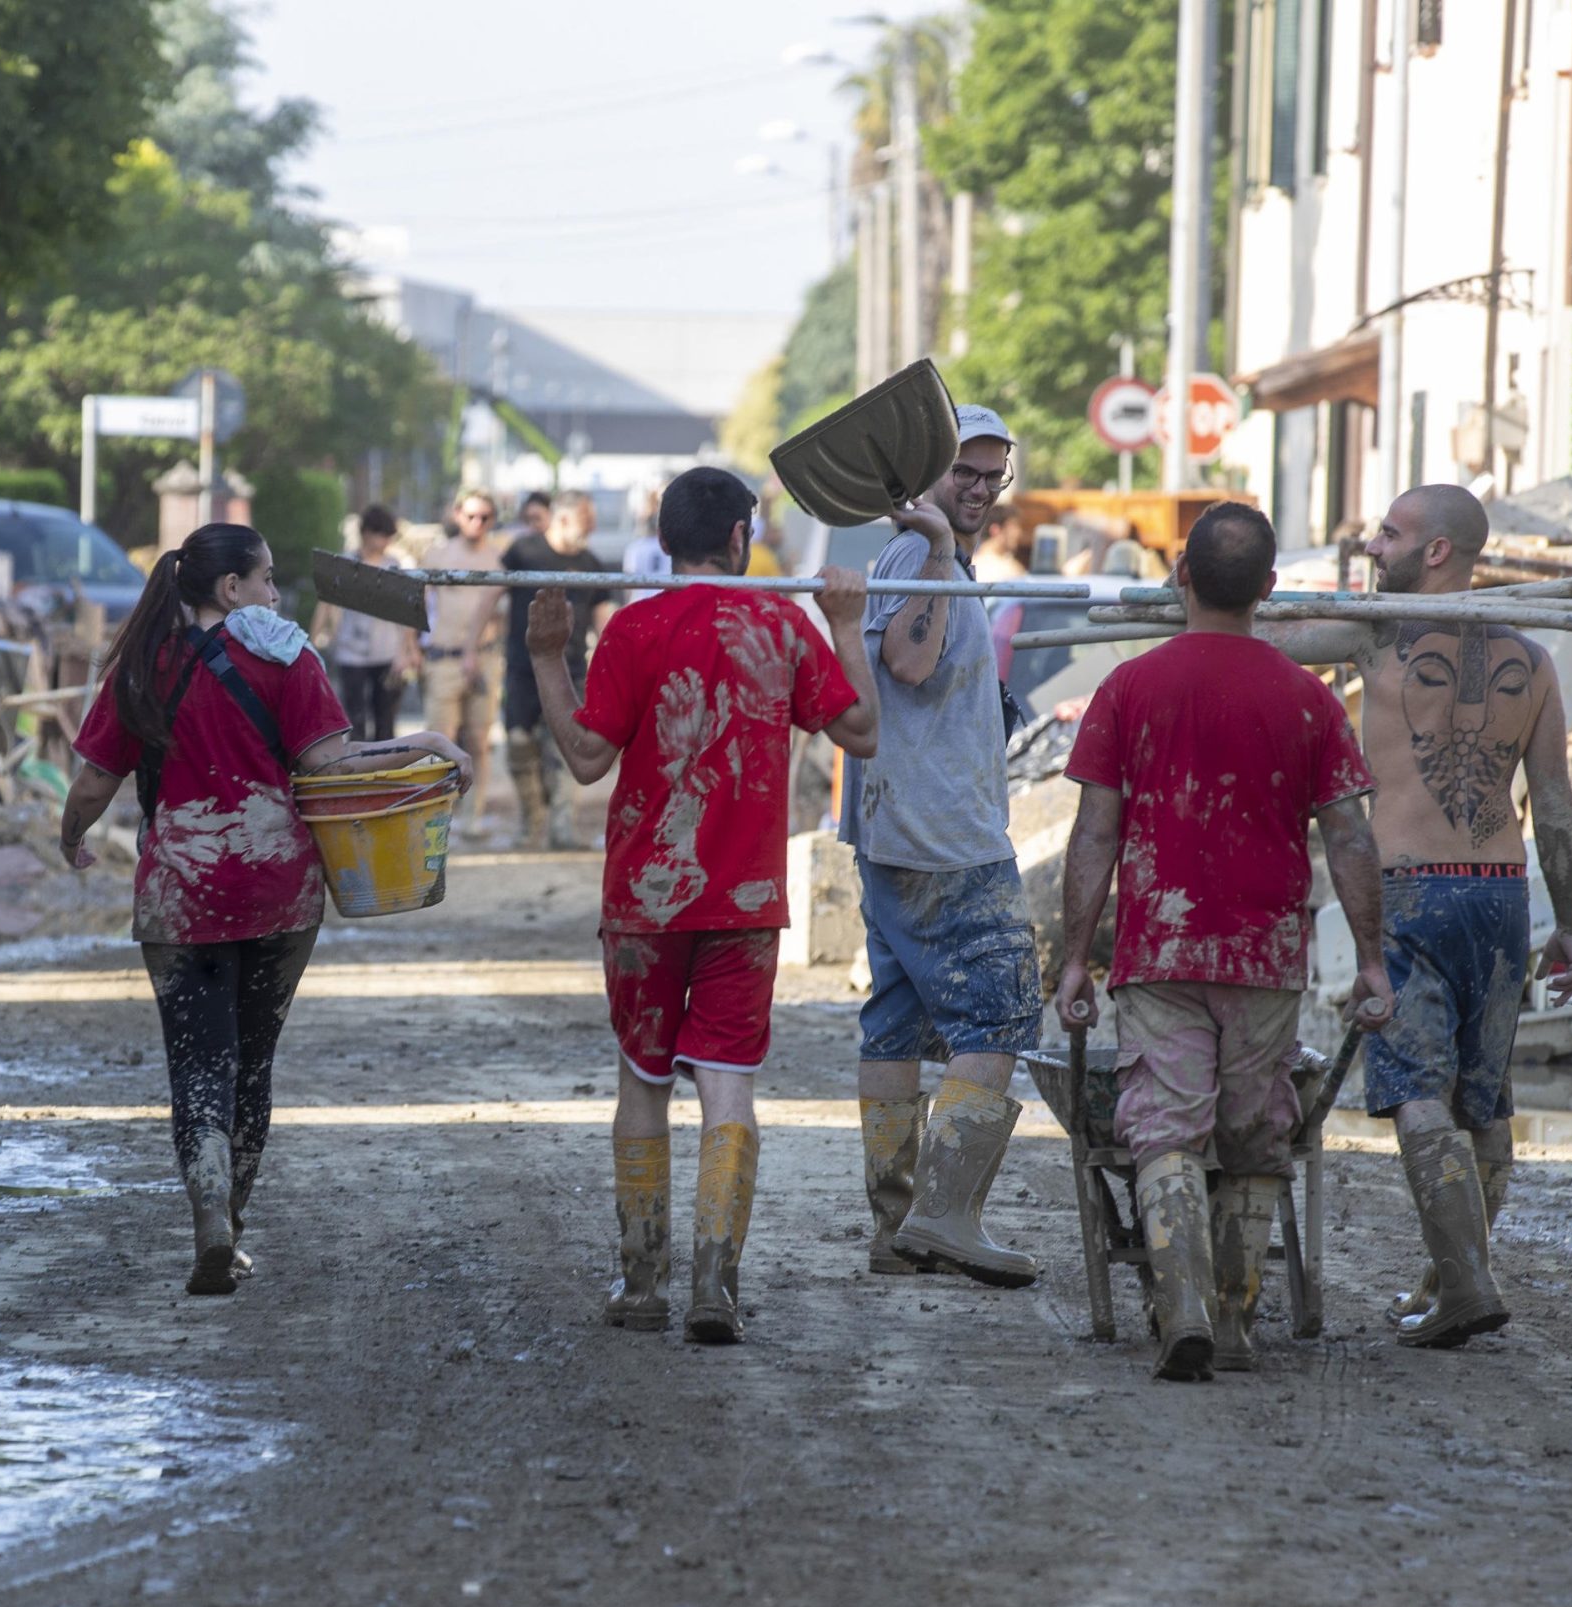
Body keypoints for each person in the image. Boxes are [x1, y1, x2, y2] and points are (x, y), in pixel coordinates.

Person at [59, 524, 468, 1295]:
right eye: (268, 579)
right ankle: (233, 1221)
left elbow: (91, 784)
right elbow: (332, 766)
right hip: (280, 895)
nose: (277, 595)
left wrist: (69, 836)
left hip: (181, 894)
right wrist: (426, 741)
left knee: (197, 1062)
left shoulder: (142, 665)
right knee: (253, 1060)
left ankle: (208, 1207)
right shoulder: (289, 657)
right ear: (231, 589)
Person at [526, 466, 880, 1344]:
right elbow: (863, 730)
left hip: (646, 901)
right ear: (739, 537)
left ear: (665, 538)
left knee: (643, 1079)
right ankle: (714, 1284)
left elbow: (581, 758)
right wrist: (845, 623)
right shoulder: (783, 623)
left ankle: (642, 1282)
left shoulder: (633, 627)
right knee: (729, 1086)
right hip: (747, 901)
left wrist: (545, 658)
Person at [1053, 503, 1393, 1379]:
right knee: (1252, 1134)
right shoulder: (1309, 697)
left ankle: (1184, 1310)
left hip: (1158, 948)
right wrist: (1372, 960)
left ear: (1181, 577)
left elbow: (1094, 833)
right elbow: (1350, 837)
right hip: (1263, 954)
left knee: (1163, 1129)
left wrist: (1071, 958)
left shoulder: (1129, 687)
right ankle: (1235, 1326)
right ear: (1271, 591)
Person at [1266, 483, 1572, 1350]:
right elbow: (1553, 803)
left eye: (1389, 534)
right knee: (1483, 1101)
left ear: (1437, 551)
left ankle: (1468, 1283)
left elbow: (1262, 637)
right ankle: (1451, 1276)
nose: (1373, 546)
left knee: (1415, 1090)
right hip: (1497, 892)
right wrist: (1568, 922)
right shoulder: (1532, 654)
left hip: (1409, 887)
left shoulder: (1378, 635)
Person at [839, 403, 1045, 1288]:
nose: (977, 488)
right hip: (940, 839)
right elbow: (910, 666)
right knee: (999, 1010)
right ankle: (945, 1215)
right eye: (964, 469)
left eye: (992, 474)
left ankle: (896, 1228)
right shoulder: (914, 556)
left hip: (898, 830)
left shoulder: (943, 558)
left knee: (894, 1022)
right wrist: (928, 551)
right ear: (927, 471)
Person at [500, 492, 612, 850]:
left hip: (573, 669)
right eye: (586, 520)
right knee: (519, 744)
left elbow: (603, 614)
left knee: (565, 750)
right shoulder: (524, 552)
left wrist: (607, 660)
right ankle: (531, 820)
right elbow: (490, 594)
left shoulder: (591, 563)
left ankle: (562, 828)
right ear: (563, 519)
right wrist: (471, 642)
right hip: (522, 667)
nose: (592, 528)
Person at [420, 491, 508, 833]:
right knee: (439, 738)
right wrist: (408, 647)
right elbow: (414, 604)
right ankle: (437, 814)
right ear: (457, 515)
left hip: (485, 658)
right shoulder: (438, 555)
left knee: (479, 740)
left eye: (484, 517)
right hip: (444, 656)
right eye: (471, 516)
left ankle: (474, 815)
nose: (477, 523)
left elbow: (503, 612)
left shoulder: (497, 560)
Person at [311, 503, 417, 741]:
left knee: (386, 721)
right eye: (382, 534)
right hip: (352, 651)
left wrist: (406, 651)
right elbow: (325, 604)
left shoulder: (394, 565)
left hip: (387, 651)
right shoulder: (345, 564)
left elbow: (405, 613)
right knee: (353, 720)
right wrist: (313, 644)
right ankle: (359, 774)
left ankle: (385, 773)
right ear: (367, 533)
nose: (385, 540)